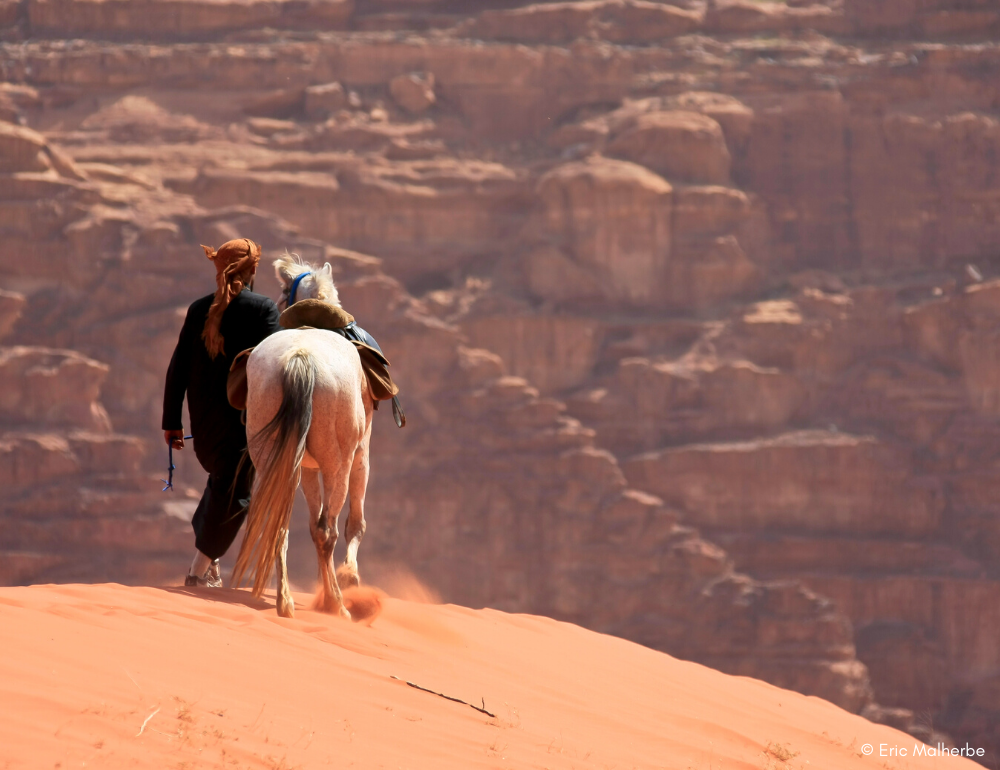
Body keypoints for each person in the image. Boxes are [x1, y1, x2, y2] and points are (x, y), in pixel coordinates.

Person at [162, 238, 281, 587]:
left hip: (203, 433)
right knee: (237, 496)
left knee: (223, 486)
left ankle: (206, 563)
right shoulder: (263, 310)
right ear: (253, 270)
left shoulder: (199, 310)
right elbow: (276, 366)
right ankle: (198, 572)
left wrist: (172, 422)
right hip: (243, 430)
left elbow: (177, 367)